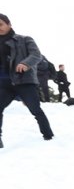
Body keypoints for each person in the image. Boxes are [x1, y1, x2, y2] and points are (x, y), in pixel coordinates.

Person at [0, 13, 54, 148]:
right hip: (4, 83)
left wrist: (25, 63)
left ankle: (48, 135)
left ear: (9, 24)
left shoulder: (24, 39)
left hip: (23, 80)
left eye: (0, 24)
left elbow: (36, 55)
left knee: (35, 109)